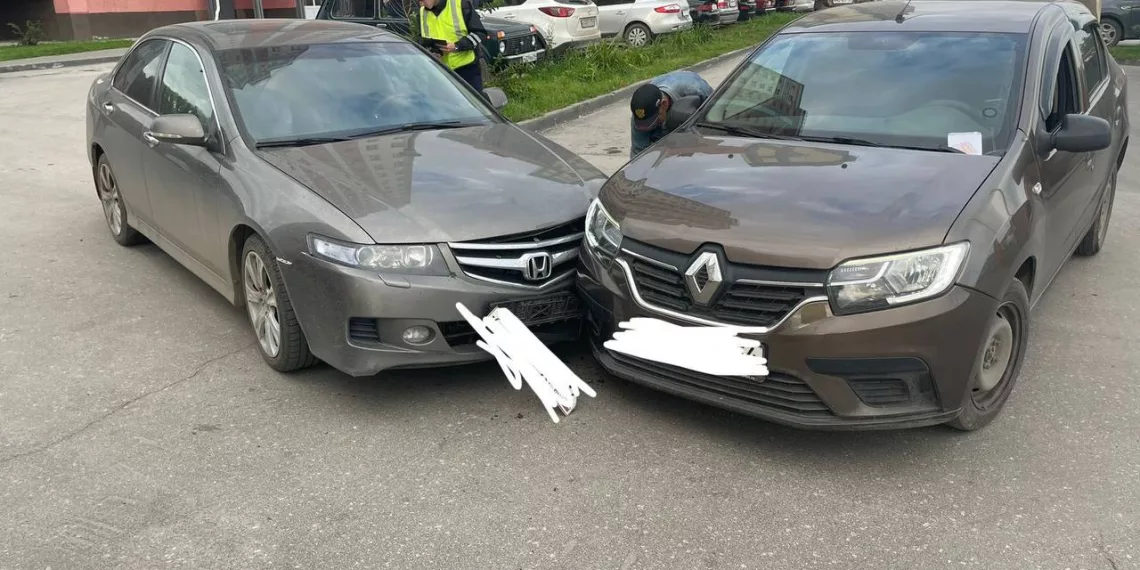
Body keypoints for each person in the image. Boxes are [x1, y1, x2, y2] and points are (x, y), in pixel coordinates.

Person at [629, 70, 714, 159]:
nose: (650, 126)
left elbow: (717, 118)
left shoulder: (696, 89)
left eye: (655, 121)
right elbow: (638, 153)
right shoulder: (642, 113)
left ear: (664, 104)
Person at [418, 0, 487, 92]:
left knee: (471, 105)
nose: (420, 3)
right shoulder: (422, 12)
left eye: (422, 0)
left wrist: (457, 46)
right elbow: (423, 41)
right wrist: (434, 52)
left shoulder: (461, 4)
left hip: (466, 71)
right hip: (438, 72)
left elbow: (479, 34)